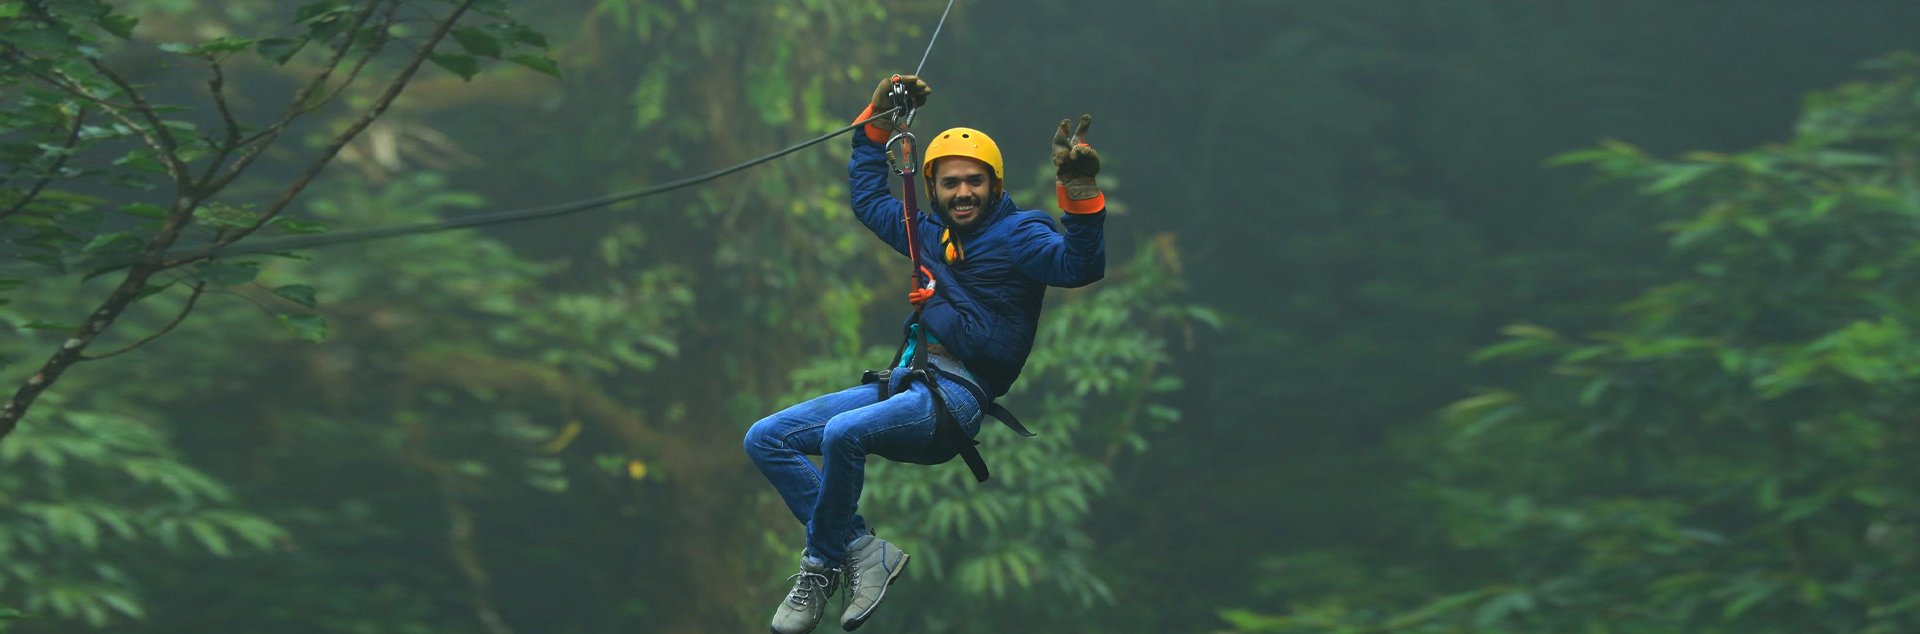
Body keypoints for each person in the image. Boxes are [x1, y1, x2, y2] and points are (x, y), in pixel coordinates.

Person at [743, 74, 1108, 634]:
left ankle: (819, 565)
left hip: (958, 395)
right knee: (766, 438)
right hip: (911, 380)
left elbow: (1078, 266)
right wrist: (877, 118)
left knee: (844, 434)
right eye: (951, 183)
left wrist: (1079, 194)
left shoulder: (1020, 237)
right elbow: (868, 199)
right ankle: (863, 550)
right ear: (933, 188)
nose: (963, 193)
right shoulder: (924, 234)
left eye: (975, 182)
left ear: (994, 185)